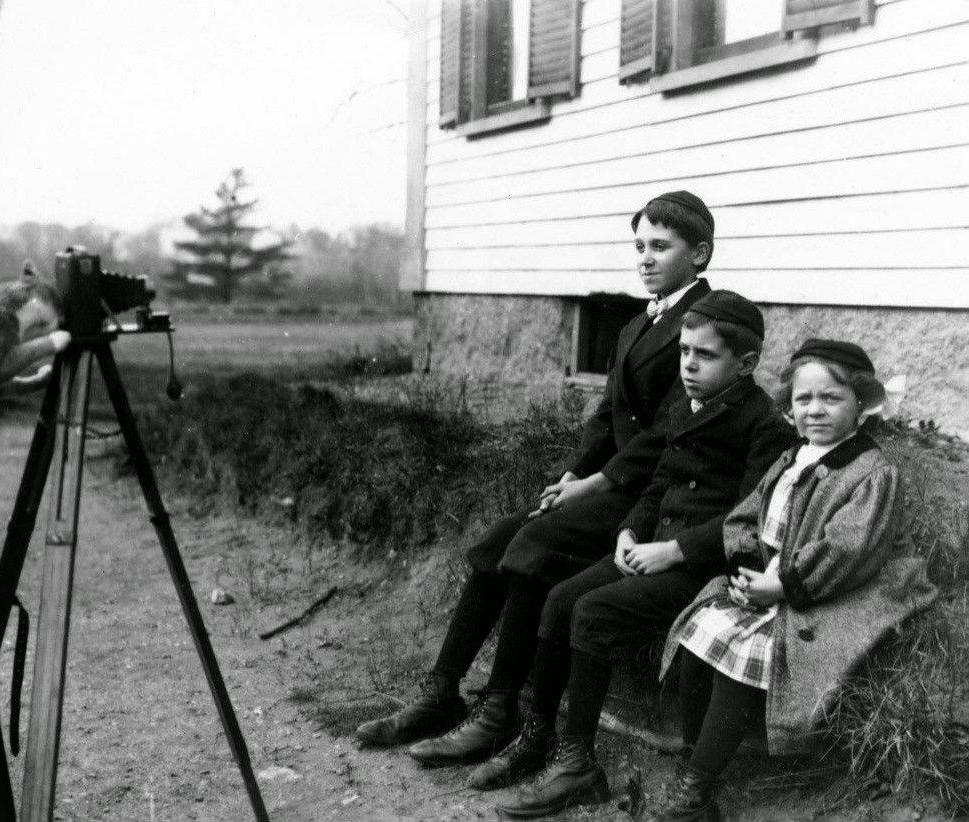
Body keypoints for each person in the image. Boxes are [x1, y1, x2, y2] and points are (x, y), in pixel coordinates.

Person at [355, 191, 716, 766]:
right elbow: (607, 418)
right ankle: (441, 692)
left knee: (534, 545)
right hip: (610, 482)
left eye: (661, 247)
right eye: (639, 246)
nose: (645, 258)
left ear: (700, 254)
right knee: (495, 541)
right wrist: (573, 471)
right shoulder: (633, 325)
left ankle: (499, 713)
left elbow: (669, 433)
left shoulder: (704, 323)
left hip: (654, 493)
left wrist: (594, 486)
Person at [484, 292, 796, 817]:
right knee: (561, 598)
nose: (689, 366)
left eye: (705, 356)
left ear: (746, 364)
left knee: (593, 610)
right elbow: (656, 486)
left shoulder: (763, 425)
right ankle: (544, 740)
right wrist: (628, 534)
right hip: (650, 546)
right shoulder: (682, 407)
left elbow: (752, 517)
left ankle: (578, 765)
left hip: (704, 564)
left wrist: (673, 551)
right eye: (684, 353)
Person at [649, 339, 937, 822]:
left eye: (832, 398)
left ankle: (696, 790)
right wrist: (748, 571)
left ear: (862, 404)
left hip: (844, 586)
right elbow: (746, 517)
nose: (816, 410)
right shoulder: (792, 460)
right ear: (789, 409)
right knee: (703, 628)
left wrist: (780, 586)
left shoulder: (870, 472)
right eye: (804, 400)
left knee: (752, 652)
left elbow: (848, 549)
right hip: (776, 576)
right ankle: (696, 758)